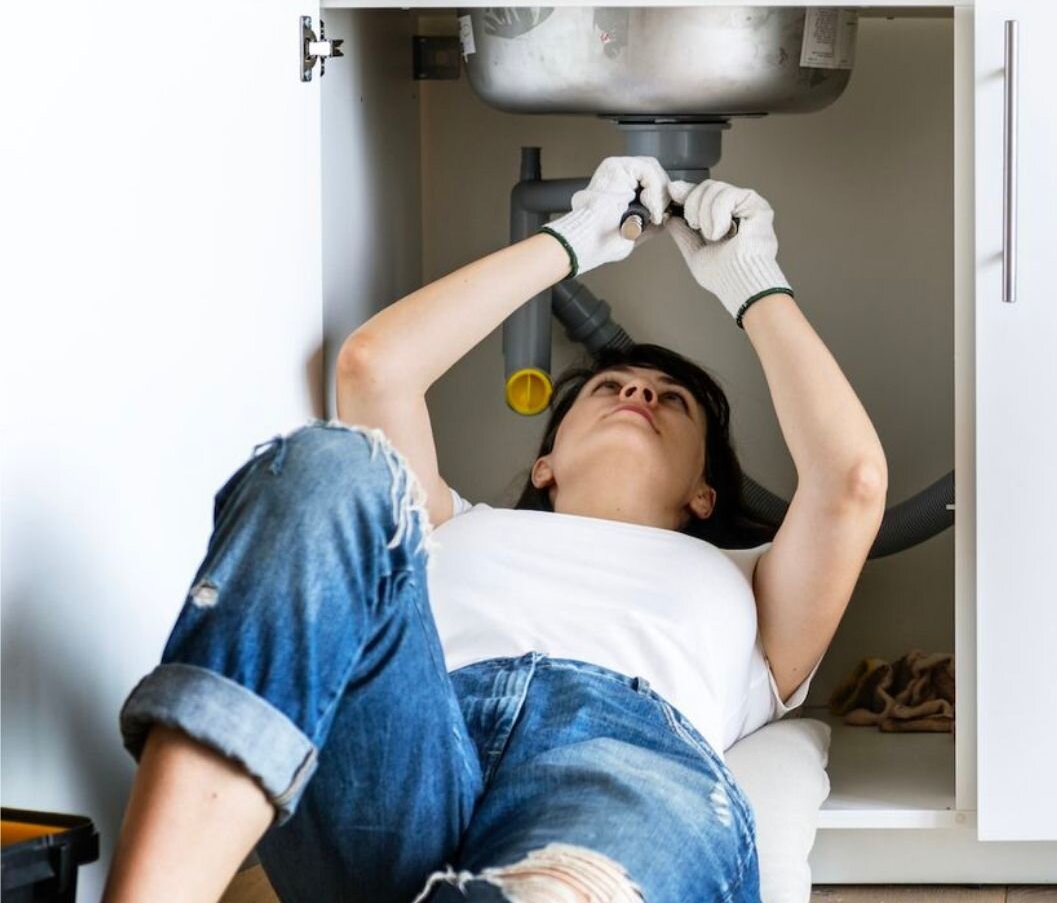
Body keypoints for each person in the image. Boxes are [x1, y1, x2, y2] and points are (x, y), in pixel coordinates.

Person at [102, 156, 887, 903]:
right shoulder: (449, 523)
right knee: (331, 464)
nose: (640, 395)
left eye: (669, 400)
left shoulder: (752, 582)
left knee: (562, 877)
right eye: (612, 385)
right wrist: (568, 244)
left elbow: (851, 482)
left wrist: (753, 285)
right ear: (545, 465)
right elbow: (373, 369)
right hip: (405, 751)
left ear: (705, 493)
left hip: (621, 764)